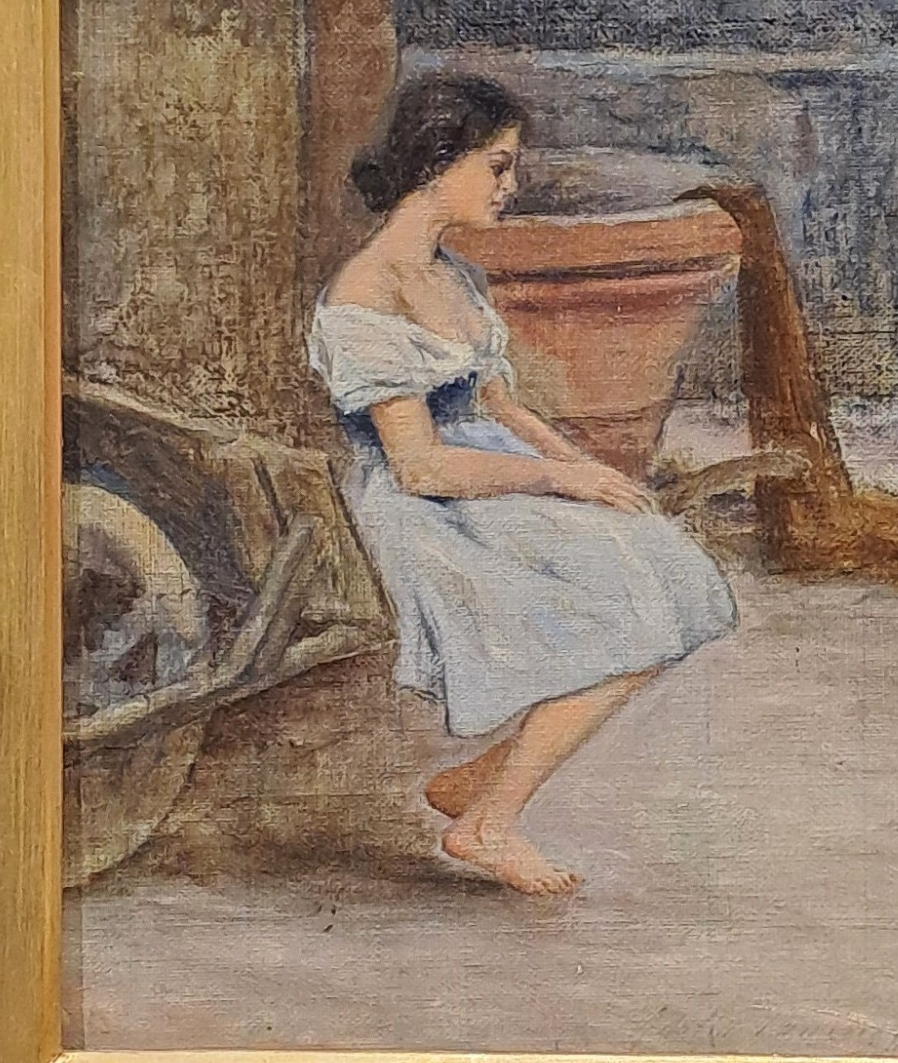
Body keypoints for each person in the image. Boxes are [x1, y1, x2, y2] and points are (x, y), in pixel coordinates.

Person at [308, 72, 737, 896]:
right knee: (635, 612)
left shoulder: (452, 276)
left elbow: (500, 404)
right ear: (439, 162)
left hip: (498, 475)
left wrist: (584, 469)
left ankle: (483, 782)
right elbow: (421, 465)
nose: (511, 187)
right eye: (498, 167)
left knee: (679, 577)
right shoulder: (364, 295)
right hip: (434, 508)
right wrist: (557, 481)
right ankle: (486, 824)